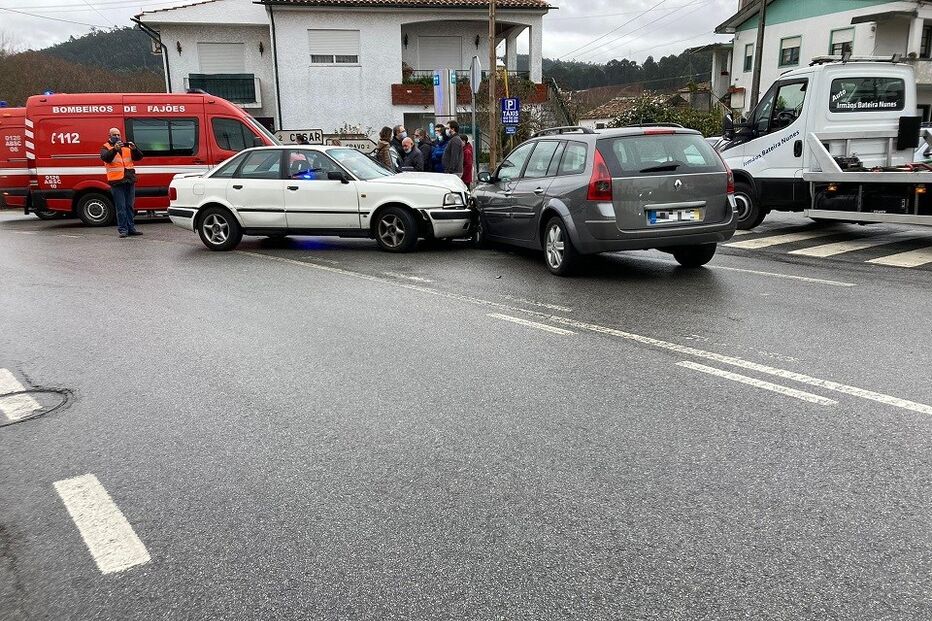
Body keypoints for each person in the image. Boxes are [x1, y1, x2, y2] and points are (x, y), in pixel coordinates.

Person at [100, 127, 143, 238]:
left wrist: (134, 149)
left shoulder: (126, 147)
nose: (117, 137)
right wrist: (114, 149)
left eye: (118, 135)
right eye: (114, 135)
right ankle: (123, 230)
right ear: (109, 136)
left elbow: (139, 157)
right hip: (117, 181)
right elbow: (106, 158)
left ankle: (131, 228)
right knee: (121, 207)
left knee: (129, 206)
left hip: (129, 180)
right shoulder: (106, 147)